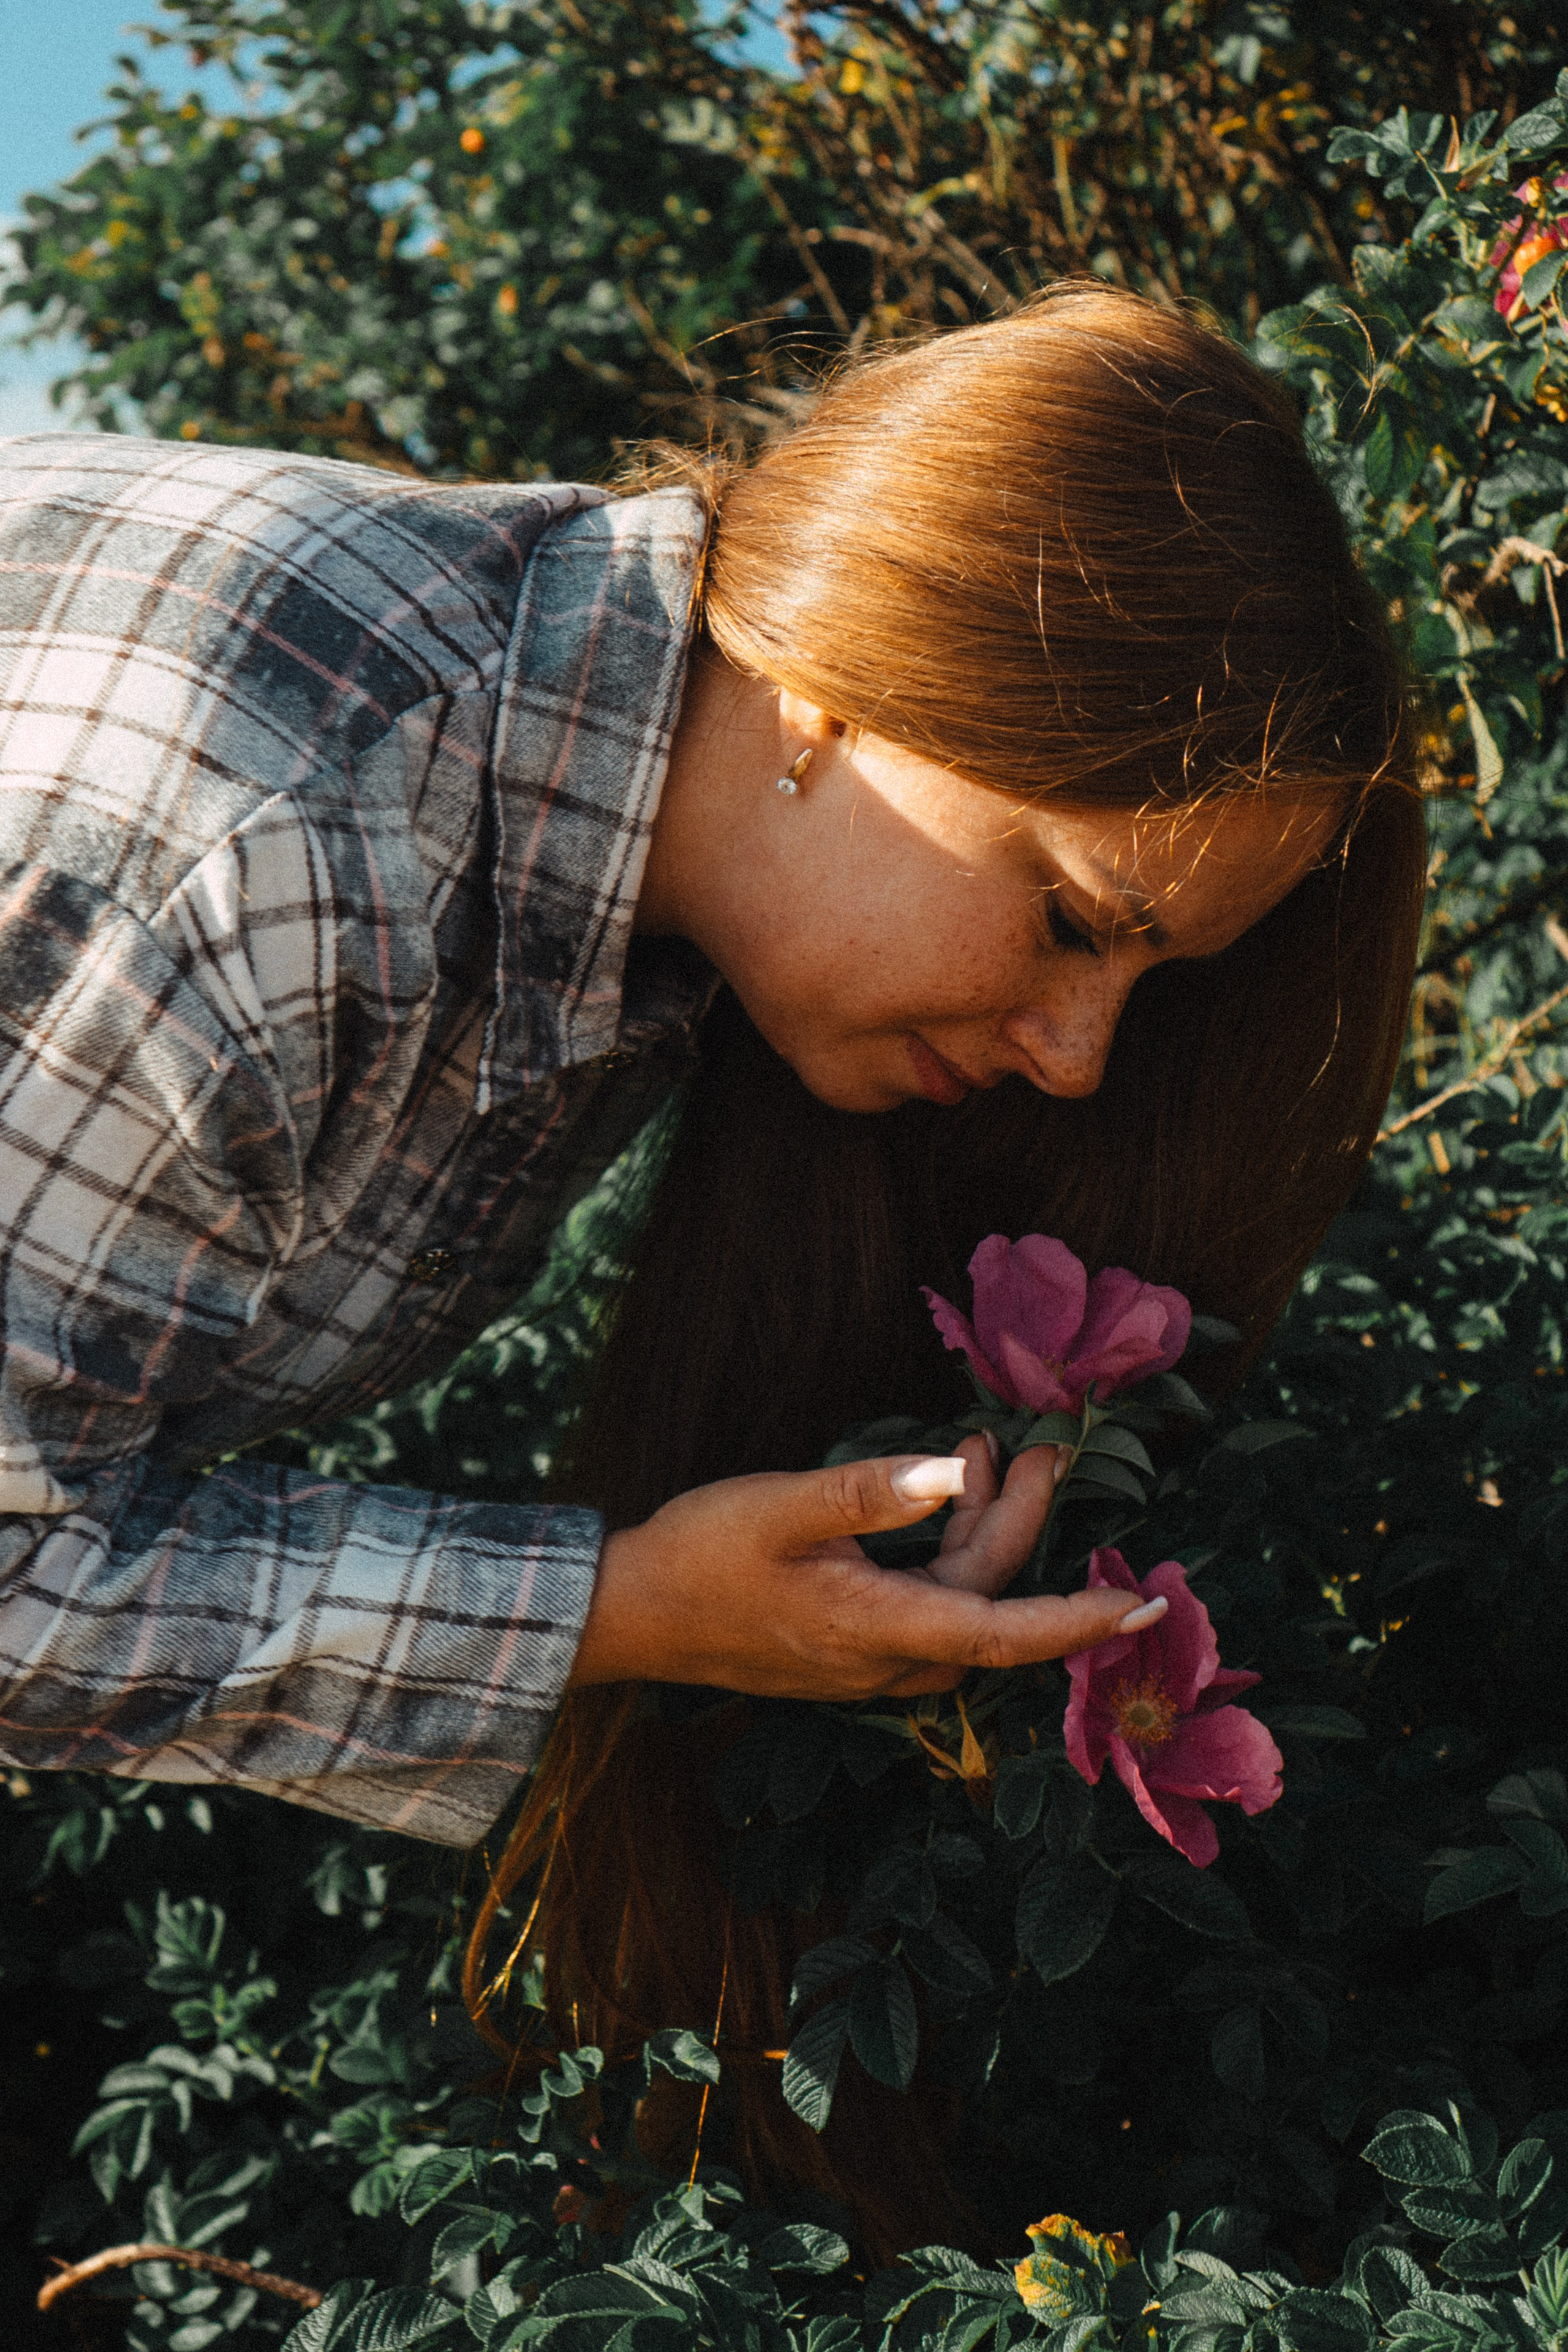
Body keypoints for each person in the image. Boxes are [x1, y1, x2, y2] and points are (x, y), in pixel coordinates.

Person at [0, 284, 1424, 2246]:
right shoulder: (287, 859)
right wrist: (615, 1611)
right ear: (843, 684)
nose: (1083, 1053)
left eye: (1148, 975)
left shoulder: (587, 836)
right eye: (1073, 919)